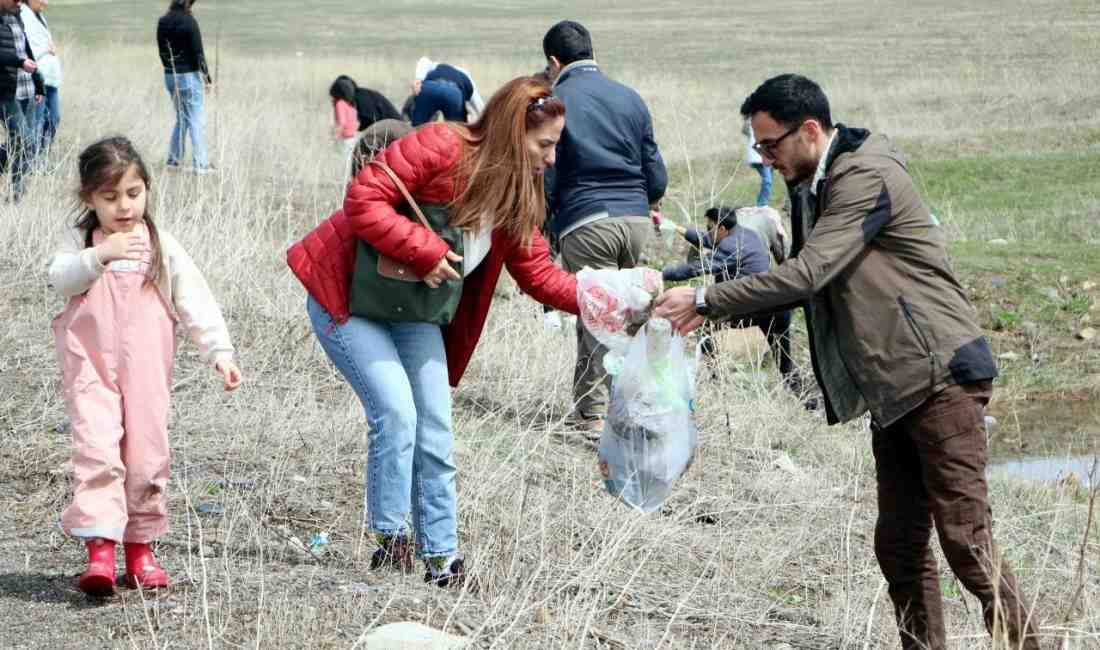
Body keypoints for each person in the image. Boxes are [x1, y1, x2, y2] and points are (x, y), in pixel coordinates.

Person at [655, 74, 1038, 650]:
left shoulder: (864, 175)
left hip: (938, 375)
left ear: (809, 130)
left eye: (770, 146)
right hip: (894, 387)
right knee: (901, 546)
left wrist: (707, 299)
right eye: (757, 147)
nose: (764, 158)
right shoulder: (814, 180)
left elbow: (809, 274)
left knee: (965, 540)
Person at [287, 77, 578, 589]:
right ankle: (390, 541)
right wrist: (425, 250)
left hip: (416, 310)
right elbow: (363, 198)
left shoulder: (517, 192)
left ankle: (442, 559)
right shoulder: (443, 145)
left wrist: (612, 302)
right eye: (545, 145)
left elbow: (539, 275)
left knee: (436, 430)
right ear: (514, 131)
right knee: (397, 413)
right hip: (349, 296)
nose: (551, 158)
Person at [48, 136, 242, 596]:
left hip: (147, 375)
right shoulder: (81, 244)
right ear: (89, 198)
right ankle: (100, 548)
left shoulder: (161, 246)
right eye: (110, 197)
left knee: (147, 455)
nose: (124, 207)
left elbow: (195, 299)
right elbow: (58, 277)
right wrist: (99, 256)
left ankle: (140, 549)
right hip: (89, 370)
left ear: (147, 191)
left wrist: (220, 352)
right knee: (97, 450)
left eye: (133, 194)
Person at [541, 20, 667, 433]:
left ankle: (594, 415)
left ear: (554, 62)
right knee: (635, 315)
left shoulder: (555, 99)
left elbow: (547, 174)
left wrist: (545, 226)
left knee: (596, 317)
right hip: (636, 221)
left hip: (585, 220)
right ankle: (641, 407)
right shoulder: (630, 98)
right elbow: (658, 177)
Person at [662, 207, 797, 390]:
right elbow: (705, 239)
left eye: (710, 228)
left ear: (722, 229)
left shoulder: (729, 246)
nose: (708, 232)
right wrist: (678, 228)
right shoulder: (747, 235)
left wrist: (660, 274)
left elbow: (697, 268)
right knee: (783, 356)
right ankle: (799, 393)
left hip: (752, 307)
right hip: (776, 304)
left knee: (702, 323)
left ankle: (717, 377)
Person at [156, 0, 213, 173]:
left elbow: (162, 51)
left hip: (170, 75)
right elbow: (198, 53)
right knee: (195, 119)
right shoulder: (190, 22)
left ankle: (173, 161)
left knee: (181, 119)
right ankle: (201, 164)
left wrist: (170, 70)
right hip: (189, 76)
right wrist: (207, 79)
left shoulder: (162, 21)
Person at [0, 0, 43, 202]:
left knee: (28, 144)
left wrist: (39, 81)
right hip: (6, 93)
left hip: (27, 88)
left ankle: (17, 192)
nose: (19, 2)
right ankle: (16, 192)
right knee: (24, 141)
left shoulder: (16, 15)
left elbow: (26, 51)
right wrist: (19, 62)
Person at [19, 0, 59, 155]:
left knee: (53, 119)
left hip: (50, 78)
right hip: (36, 79)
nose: (46, 3)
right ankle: (33, 162)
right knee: (36, 124)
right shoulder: (22, 14)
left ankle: (41, 157)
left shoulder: (39, 15)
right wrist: (46, 49)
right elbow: (24, 49)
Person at [409, 56, 485, 126]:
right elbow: (479, 106)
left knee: (417, 130)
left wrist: (418, 79)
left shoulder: (436, 66)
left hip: (428, 88)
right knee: (457, 131)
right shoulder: (466, 76)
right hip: (453, 93)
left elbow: (424, 60)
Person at [743, 118, 773, 206]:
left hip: (766, 153)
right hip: (759, 155)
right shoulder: (753, 120)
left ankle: (764, 203)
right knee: (768, 181)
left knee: (769, 180)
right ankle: (762, 204)